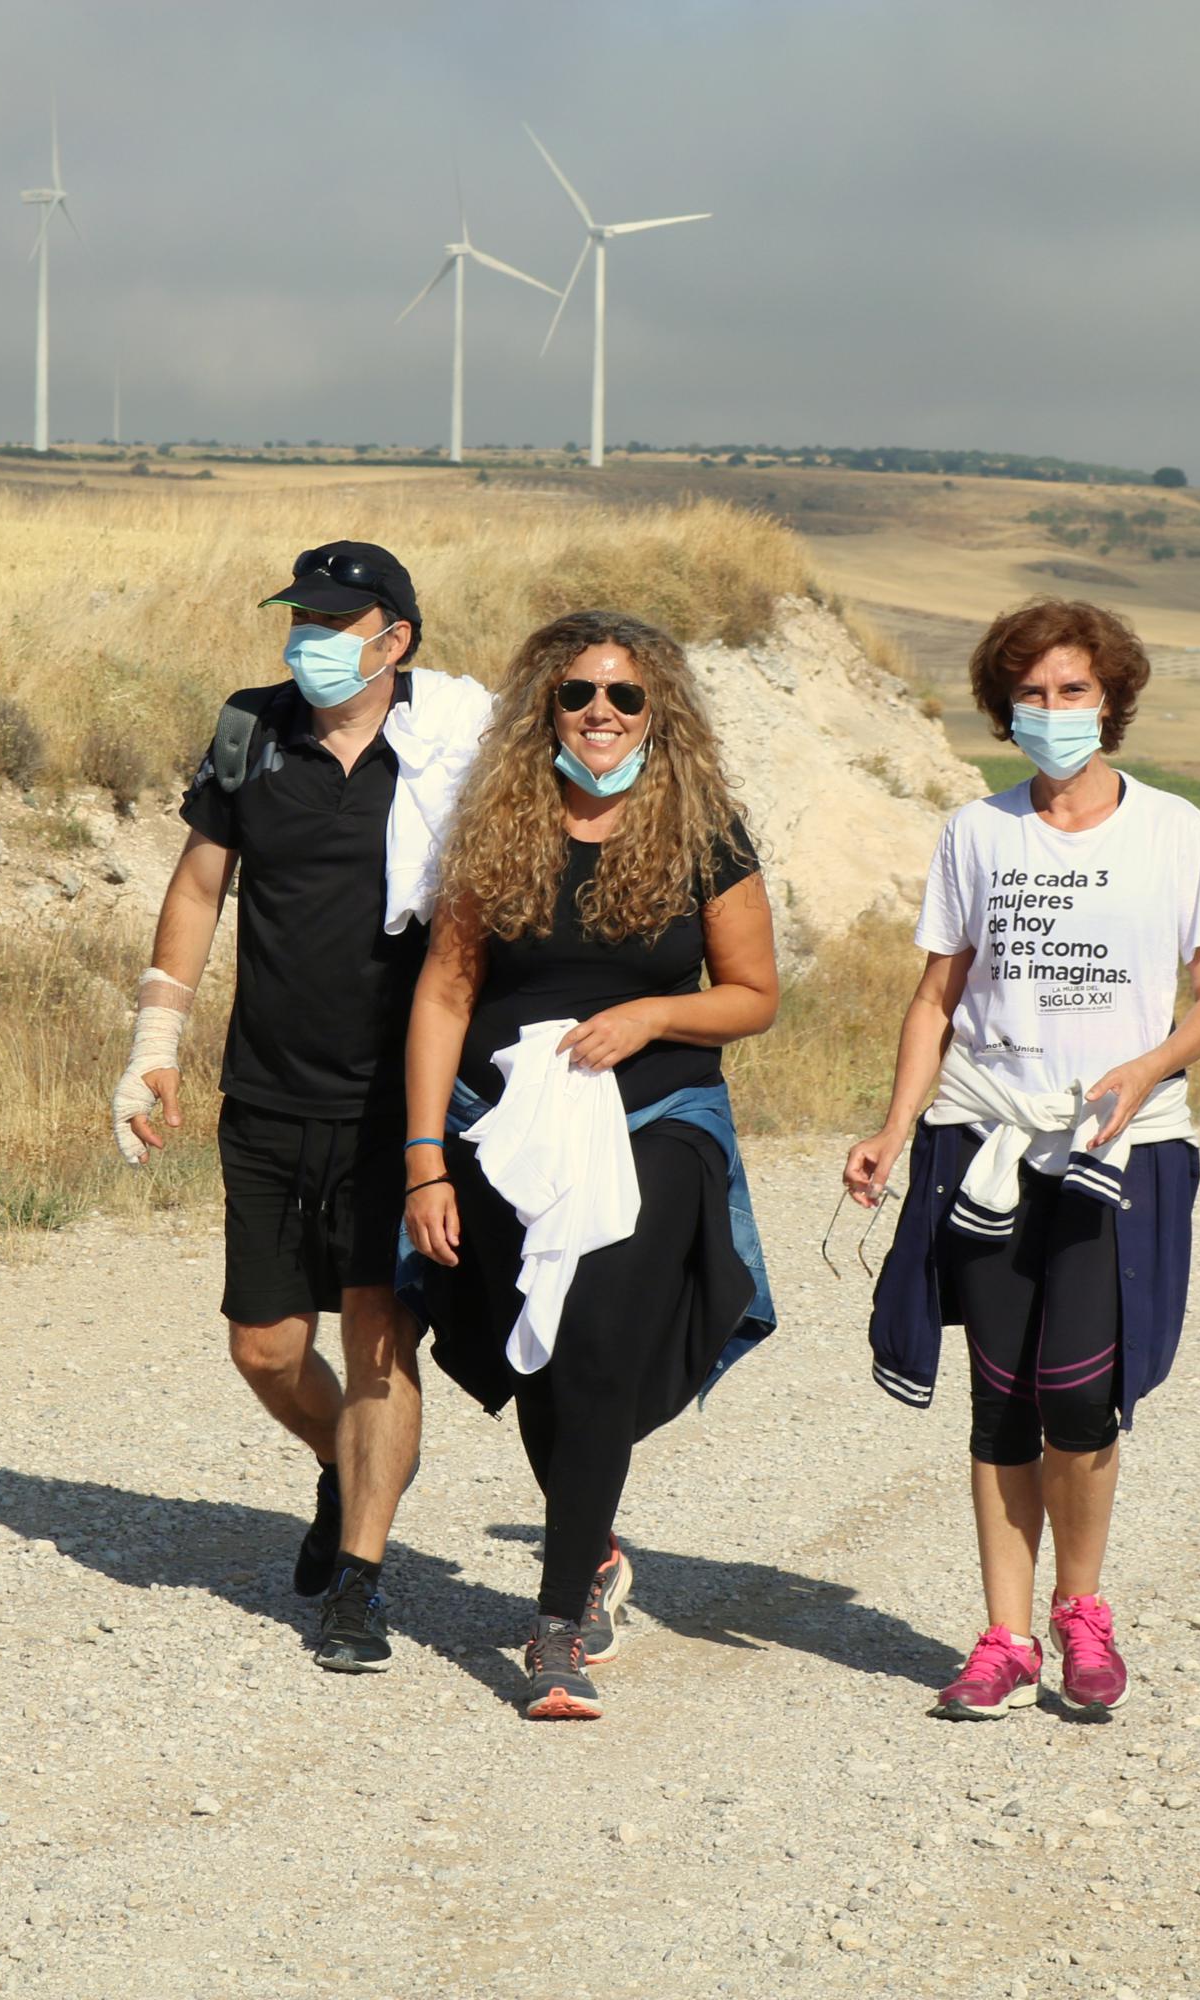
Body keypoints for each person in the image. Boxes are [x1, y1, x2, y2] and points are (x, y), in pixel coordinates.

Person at [846, 597, 1200, 1722]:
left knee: (1083, 1400)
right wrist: (891, 1125)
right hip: (983, 1137)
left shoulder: (1174, 830)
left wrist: (1150, 1062)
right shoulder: (978, 833)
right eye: (1033, 694)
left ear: (1110, 699)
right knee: (1001, 1399)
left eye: (1073, 690)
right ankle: (1007, 1635)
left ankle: (1084, 1609)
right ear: (1004, 709)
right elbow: (936, 997)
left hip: (1119, 1146)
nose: (1054, 710)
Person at [112, 542, 493, 1673]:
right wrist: (155, 1042)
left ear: (397, 639)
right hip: (268, 1092)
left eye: (335, 622)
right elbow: (197, 883)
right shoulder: (251, 728)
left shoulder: (451, 751)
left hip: (398, 1103)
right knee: (265, 1341)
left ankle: (361, 1581)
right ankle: (348, 1463)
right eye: (299, 618)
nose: (309, 641)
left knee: (380, 1336)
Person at [402, 608, 780, 1722]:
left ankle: (556, 1624)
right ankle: (596, 1540)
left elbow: (753, 994)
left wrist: (653, 1011)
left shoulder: (705, 830)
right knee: (539, 1354)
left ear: (659, 710)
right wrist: (426, 1156)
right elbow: (445, 993)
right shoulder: (500, 825)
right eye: (578, 695)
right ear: (544, 709)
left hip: (655, 1113)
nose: (600, 714)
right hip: (505, 1118)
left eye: (624, 696)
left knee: (598, 1326)